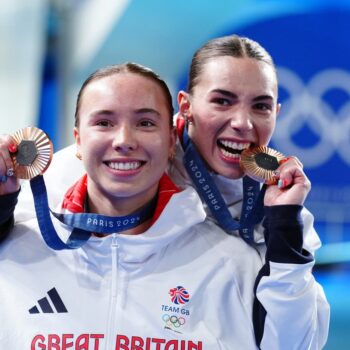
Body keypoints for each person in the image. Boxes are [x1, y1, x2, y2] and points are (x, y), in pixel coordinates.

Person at [0, 35, 329, 348]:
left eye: (261, 106)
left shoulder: (280, 205)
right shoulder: (101, 166)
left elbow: (298, 341)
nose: (242, 122)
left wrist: (284, 224)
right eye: (222, 101)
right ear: (184, 108)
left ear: (277, 114)